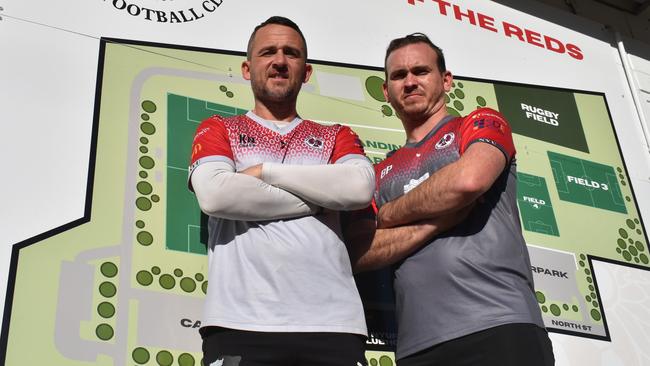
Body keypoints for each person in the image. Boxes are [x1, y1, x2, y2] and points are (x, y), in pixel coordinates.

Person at [347, 33, 554, 365]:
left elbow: (467, 182)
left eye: (421, 71)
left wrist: (385, 216)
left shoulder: (478, 123)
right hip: (417, 346)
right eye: (399, 76)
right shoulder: (377, 172)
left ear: (445, 80)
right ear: (386, 92)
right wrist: (435, 222)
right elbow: (358, 250)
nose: (410, 82)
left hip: (501, 324)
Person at [188, 16, 374, 366]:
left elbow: (359, 188)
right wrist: (320, 200)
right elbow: (216, 196)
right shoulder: (220, 128)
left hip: (333, 325)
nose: (279, 61)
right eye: (267, 52)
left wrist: (266, 172)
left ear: (306, 72)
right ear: (247, 68)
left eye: (291, 53)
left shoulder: (337, 134)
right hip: (240, 321)